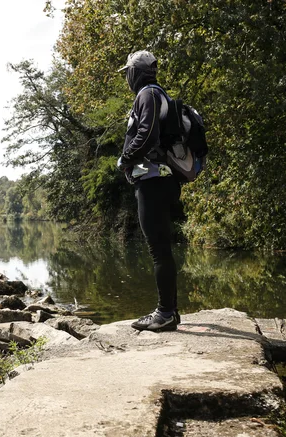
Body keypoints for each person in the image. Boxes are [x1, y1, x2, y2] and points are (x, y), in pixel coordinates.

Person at [116, 50, 181, 332]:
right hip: (163, 179)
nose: (127, 78)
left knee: (158, 250)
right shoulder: (158, 94)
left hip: (153, 180)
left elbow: (148, 133)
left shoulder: (147, 95)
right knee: (162, 249)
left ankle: (165, 313)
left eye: (128, 72)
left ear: (136, 72)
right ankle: (169, 311)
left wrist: (125, 158)